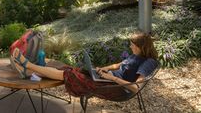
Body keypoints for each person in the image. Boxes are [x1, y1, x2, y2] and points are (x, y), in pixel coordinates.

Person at [11, 32, 158, 96]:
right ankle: (28, 68)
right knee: (67, 69)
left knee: (67, 74)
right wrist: (104, 69)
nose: (130, 47)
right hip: (106, 78)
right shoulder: (136, 55)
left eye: (133, 45)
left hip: (114, 87)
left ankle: (27, 66)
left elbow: (136, 88)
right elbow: (119, 65)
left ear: (142, 47)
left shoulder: (148, 62)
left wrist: (112, 78)